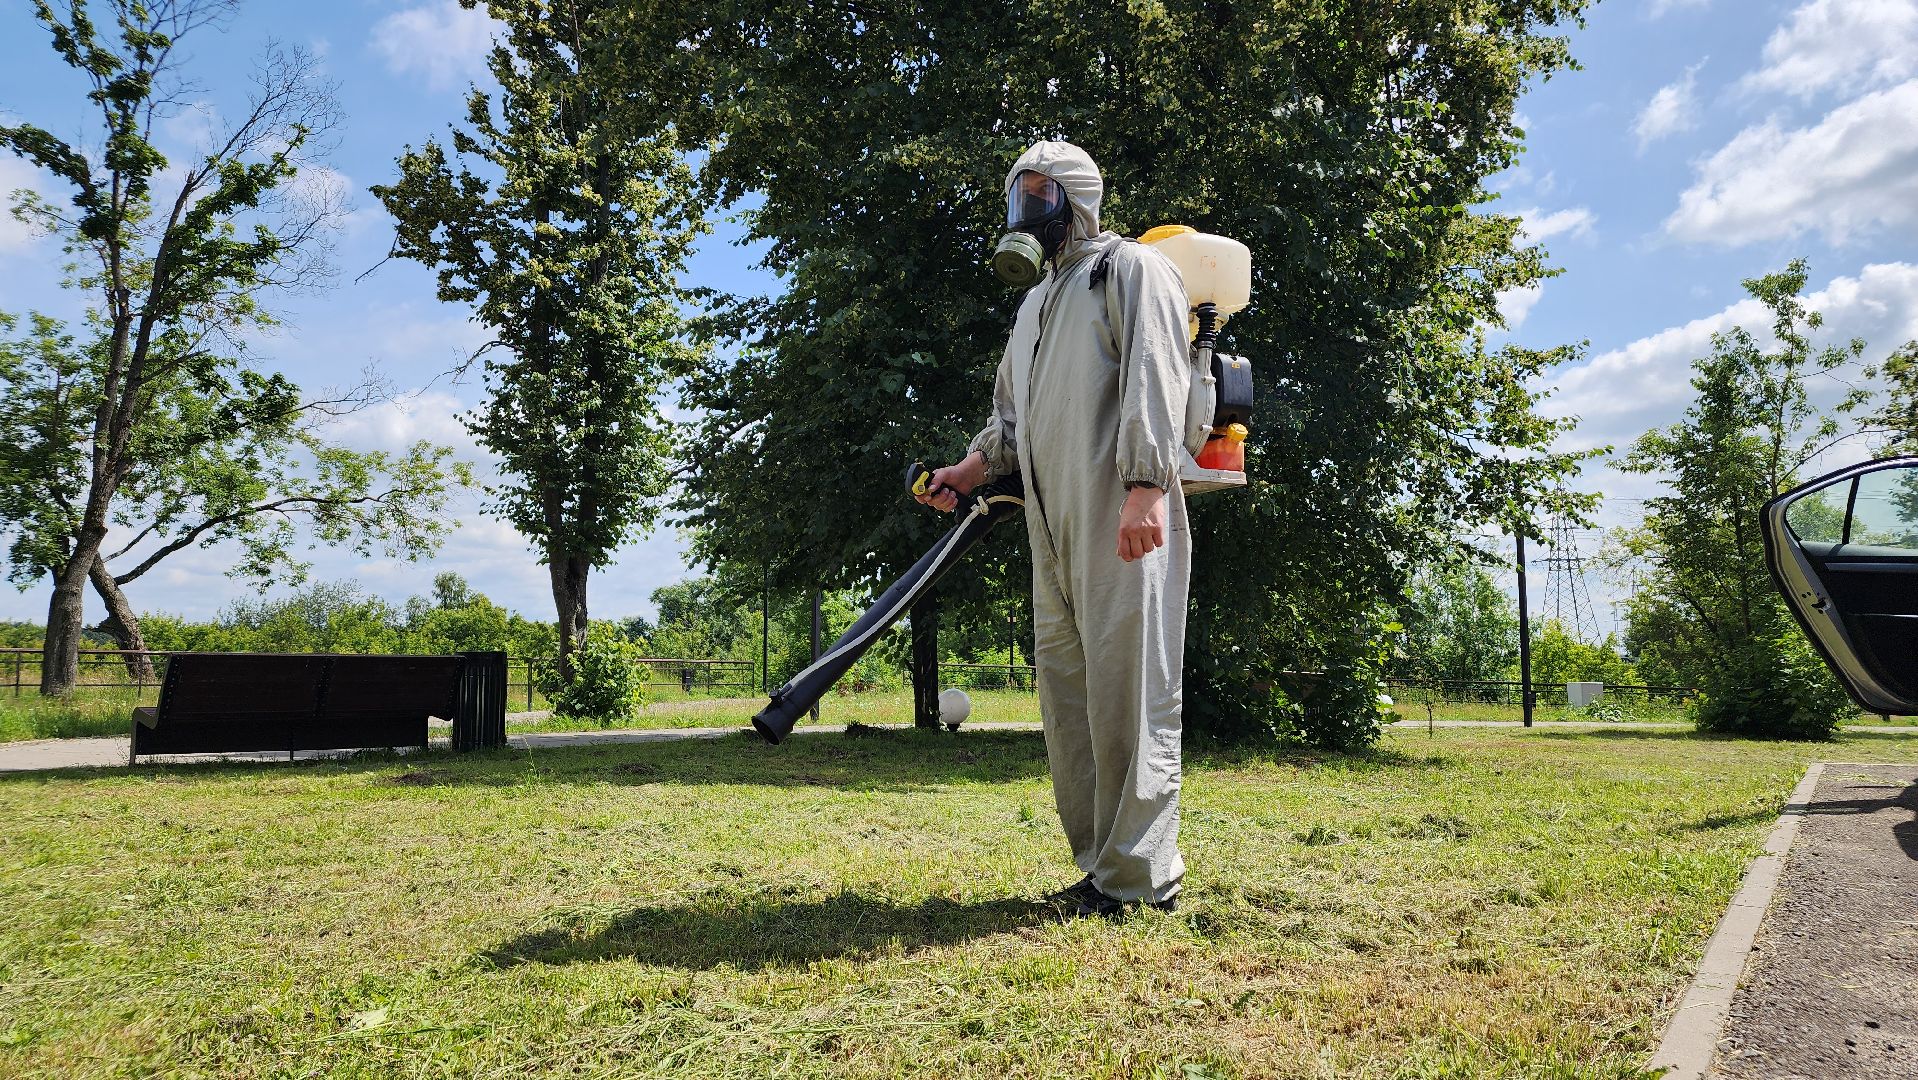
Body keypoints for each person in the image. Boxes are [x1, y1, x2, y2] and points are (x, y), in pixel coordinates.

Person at [916, 140, 1193, 918]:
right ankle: (1102, 869)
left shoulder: (1130, 269)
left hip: (1120, 514)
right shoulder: (1035, 302)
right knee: (1071, 698)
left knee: (1131, 693)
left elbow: (1155, 375)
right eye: (1016, 197)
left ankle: (1142, 878)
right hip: (1050, 522)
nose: (1023, 212)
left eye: (1037, 196)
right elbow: (1015, 415)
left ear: (1075, 199)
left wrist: (1145, 489)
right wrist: (969, 469)